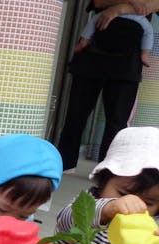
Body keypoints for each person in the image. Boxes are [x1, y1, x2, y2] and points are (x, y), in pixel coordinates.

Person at [57, 0, 159, 172]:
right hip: (93, 53)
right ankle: (65, 163)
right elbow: (97, 1)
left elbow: (152, 5)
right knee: (76, 114)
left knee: (117, 121)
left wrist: (119, 8)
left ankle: (108, 170)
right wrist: (133, 2)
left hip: (128, 61)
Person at [76, 10, 153, 68]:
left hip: (132, 14)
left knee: (148, 30)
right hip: (114, 12)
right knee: (148, 30)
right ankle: (144, 55)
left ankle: (83, 42)